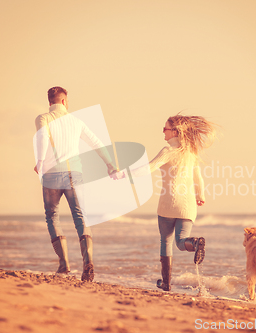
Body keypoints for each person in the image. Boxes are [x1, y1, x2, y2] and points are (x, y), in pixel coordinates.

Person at [114, 114, 216, 291]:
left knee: (166, 242)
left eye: (165, 129)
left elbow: (149, 168)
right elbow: (198, 177)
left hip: (168, 204)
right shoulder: (191, 153)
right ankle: (196, 243)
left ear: (175, 131)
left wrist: (124, 174)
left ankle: (167, 283)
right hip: (188, 205)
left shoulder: (167, 151)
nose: (163, 132)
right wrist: (201, 195)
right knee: (181, 241)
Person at [34, 86, 117, 281]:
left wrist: (39, 162)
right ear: (64, 101)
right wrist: (110, 164)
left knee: (52, 216)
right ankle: (87, 261)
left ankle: (64, 265)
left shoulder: (43, 118)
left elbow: (43, 138)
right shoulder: (76, 121)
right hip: (75, 174)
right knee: (80, 218)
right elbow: (96, 142)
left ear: (50, 102)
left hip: (52, 174)